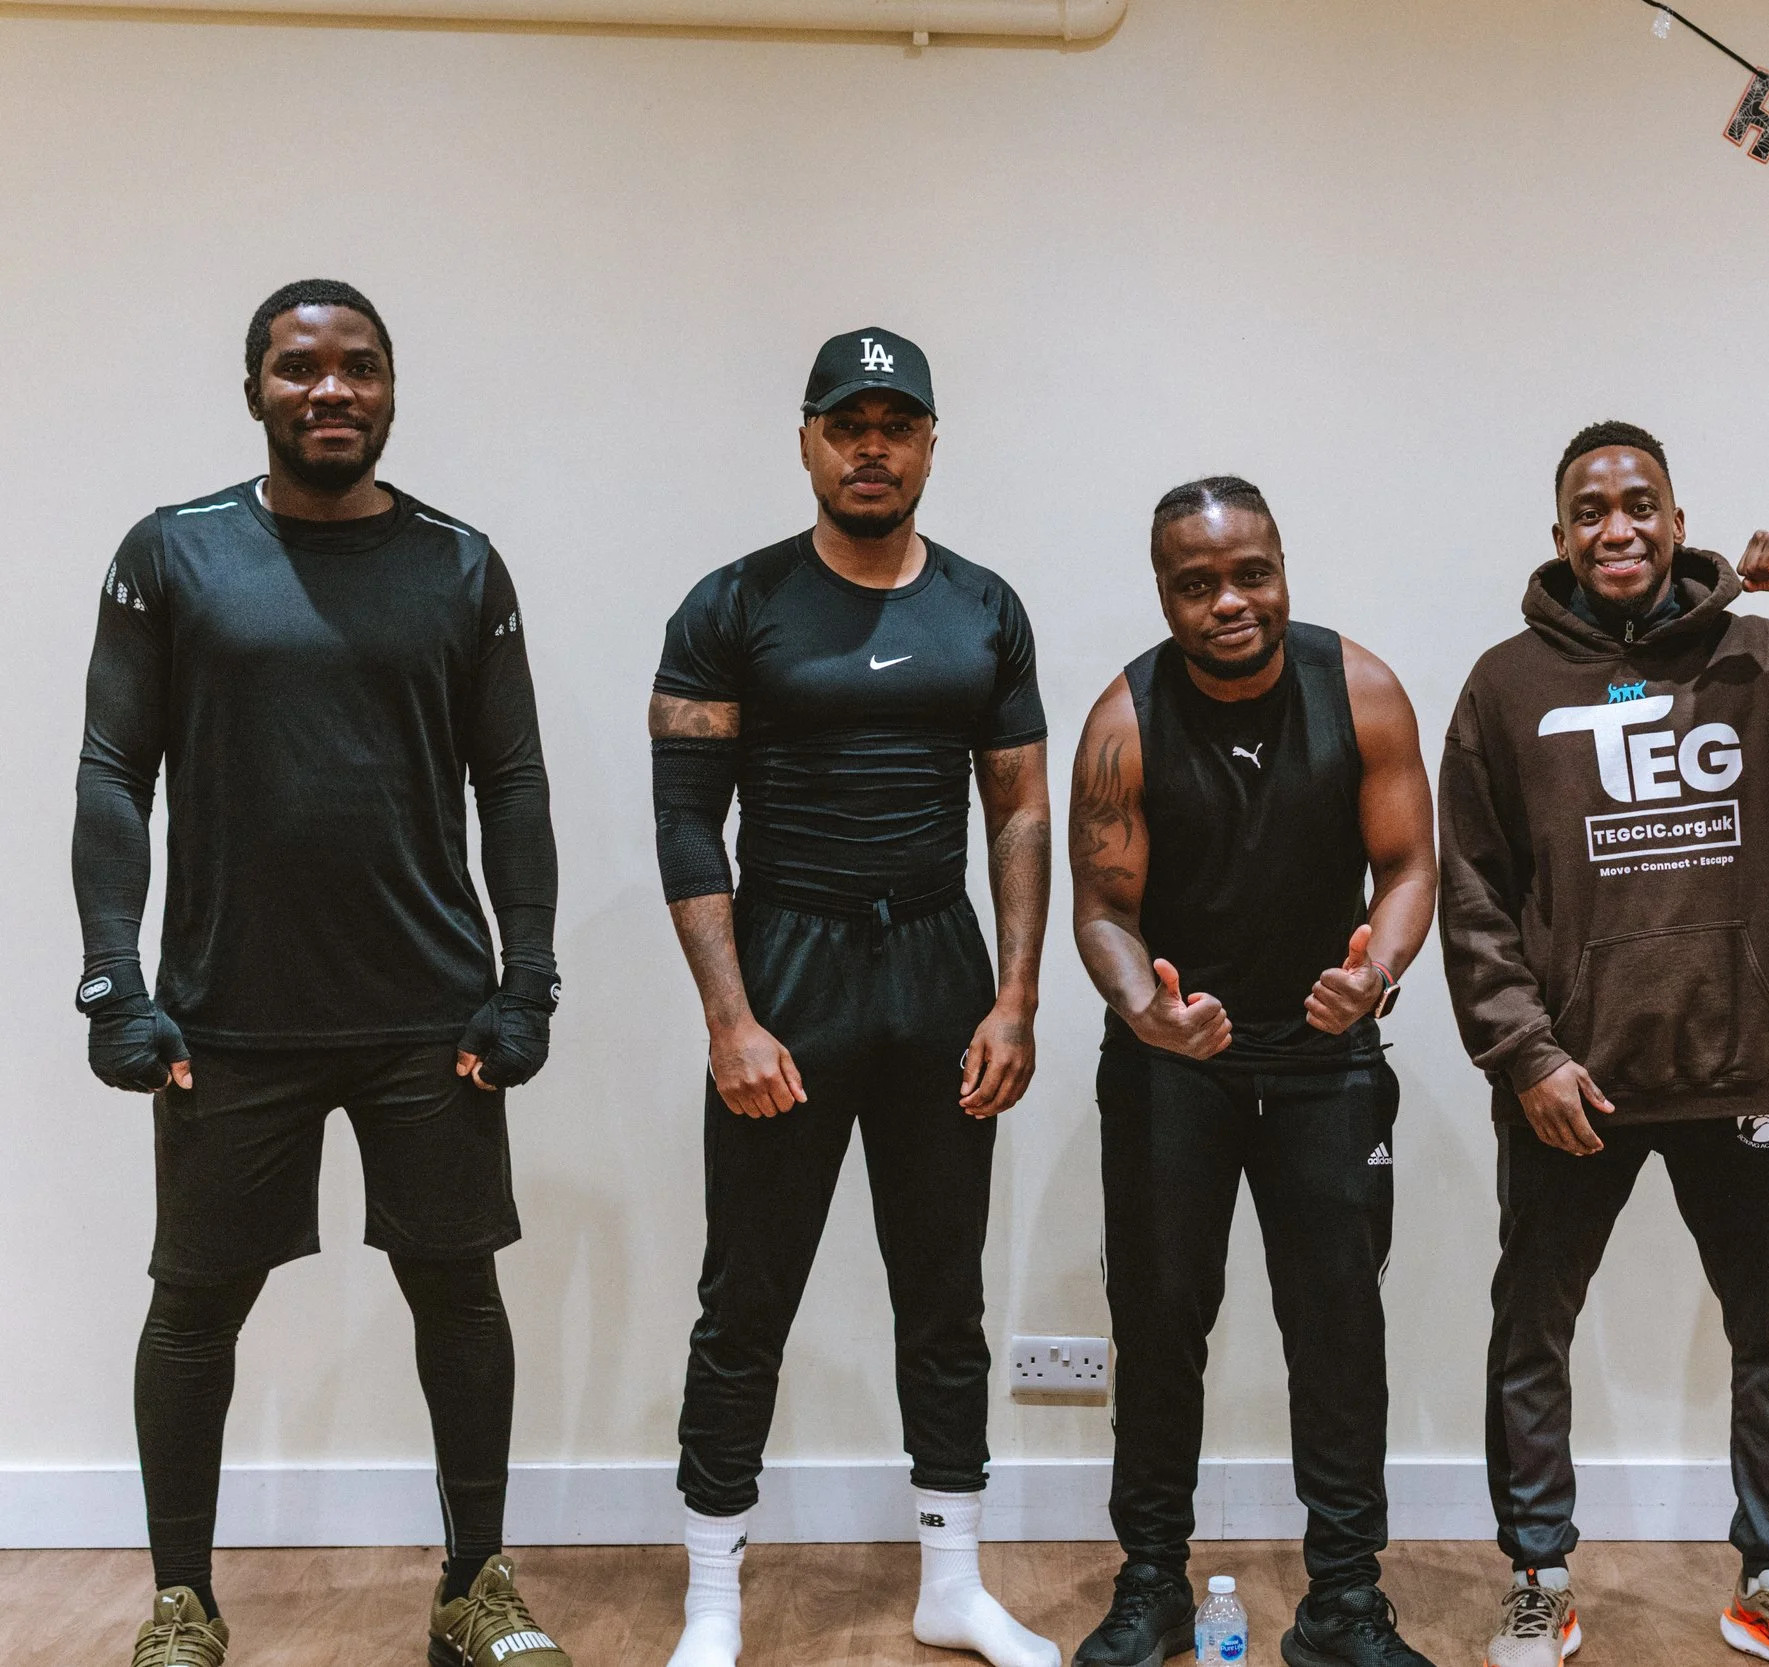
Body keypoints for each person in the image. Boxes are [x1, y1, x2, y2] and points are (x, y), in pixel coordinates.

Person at [74, 280, 568, 1667]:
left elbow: (513, 780)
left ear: (392, 389)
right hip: (226, 1017)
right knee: (194, 1305)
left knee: (459, 1296)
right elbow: (114, 774)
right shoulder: (172, 555)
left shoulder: (462, 565)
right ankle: (181, 1596)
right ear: (254, 392)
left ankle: (476, 1584)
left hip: (432, 1012)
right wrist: (116, 980)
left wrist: (525, 978)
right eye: (300, 369)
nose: (331, 390)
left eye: (359, 367)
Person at [1440, 423, 1769, 1667]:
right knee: (1530, 1332)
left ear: (1676, 518)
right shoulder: (1504, 686)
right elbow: (1472, 890)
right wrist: (1525, 1055)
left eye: (1639, 503)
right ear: (1558, 535)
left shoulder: (1765, 662)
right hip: (1574, 1084)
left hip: (1744, 1071)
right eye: (1590, 510)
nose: (1617, 527)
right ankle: (1537, 1577)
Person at [648, 327, 1056, 1667]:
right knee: (745, 1291)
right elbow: (689, 824)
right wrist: (729, 1017)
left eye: (897, 421)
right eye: (847, 421)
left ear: (931, 440)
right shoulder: (731, 605)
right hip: (792, 963)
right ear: (809, 436)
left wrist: (1014, 998)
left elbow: (1018, 808)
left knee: (943, 1290)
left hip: (939, 966)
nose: (871, 443)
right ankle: (716, 1592)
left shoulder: (986, 606)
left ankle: (953, 1577)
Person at [1066, 477, 1440, 1667]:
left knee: (1336, 1323)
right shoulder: (1122, 719)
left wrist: (1374, 972)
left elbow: (1408, 866)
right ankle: (1150, 1585)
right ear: (1164, 592)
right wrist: (1143, 1008)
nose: (1229, 601)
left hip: (1326, 1053)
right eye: (1197, 583)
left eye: (1250, 573)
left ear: (1281, 567)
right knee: (1161, 1315)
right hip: (1179, 1059)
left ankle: (1342, 1600)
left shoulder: (1363, 689)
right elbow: (1103, 908)